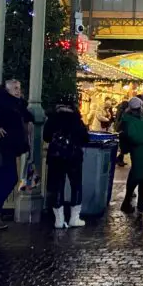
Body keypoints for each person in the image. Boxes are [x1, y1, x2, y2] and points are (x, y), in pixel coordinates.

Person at [0, 79, 33, 231]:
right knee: (9, 179)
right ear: (6, 89)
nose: (18, 90)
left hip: (7, 147)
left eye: (19, 87)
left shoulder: (18, 104)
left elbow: (27, 117)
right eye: (14, 88)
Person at [43, 96, 90, 229]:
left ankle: (59, 220)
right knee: (76, 185)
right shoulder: (76, 120)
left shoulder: (53, 119)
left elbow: (46, 137)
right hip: (74, 157)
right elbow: (85, 138)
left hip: (56, 157)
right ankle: (74, 218)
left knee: (57, 186)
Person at [118, 97, 143, 213]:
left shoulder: (132, 118)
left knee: (142, 177)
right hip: (139, 152)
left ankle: (140, 202)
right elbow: (135, 137)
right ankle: (126, 203)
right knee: (136, 177)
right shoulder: (129, 120)